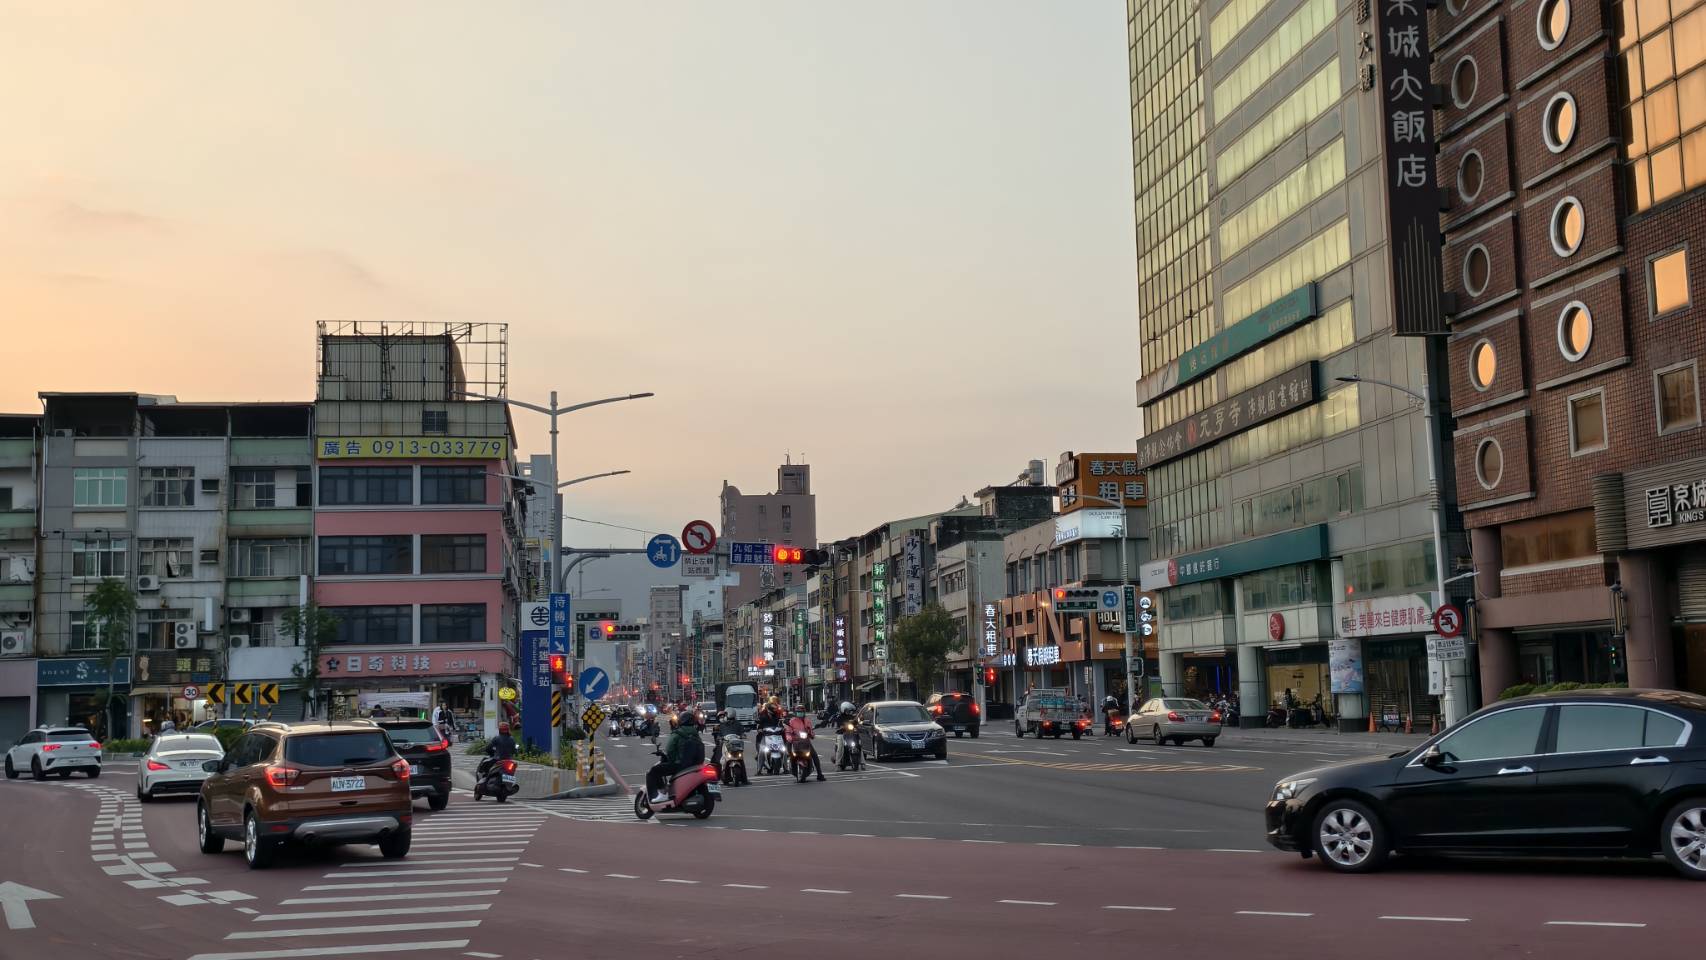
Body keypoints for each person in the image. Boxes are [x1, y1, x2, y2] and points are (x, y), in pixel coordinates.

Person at [647, 710, 705, 803]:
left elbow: (669, 750)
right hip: (695, 766)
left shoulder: (677, 733)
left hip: (680, 765)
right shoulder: (696, 734)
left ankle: (662, 794)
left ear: (681, 721)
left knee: (654, 771)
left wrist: (670, 759)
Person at [783, 707, 824, 781]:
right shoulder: (792, 721)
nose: (800, 714)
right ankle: (788, 767)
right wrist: (790, 737)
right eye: (798, 712)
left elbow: (810, 730)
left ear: (804, 713)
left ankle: (819, 774)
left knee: (814, 755)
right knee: (789, 752)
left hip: (805, 741)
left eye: (801, 712)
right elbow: (788, 731)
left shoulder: (807, 720)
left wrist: (811, 734)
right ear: (795, 713)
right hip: (795, 741)